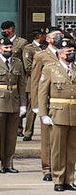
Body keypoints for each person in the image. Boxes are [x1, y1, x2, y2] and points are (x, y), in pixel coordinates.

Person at [0, 36, 28, 174]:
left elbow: (21, 84)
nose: (8, 50)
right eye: (5, 48)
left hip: (14, 101)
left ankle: (9, 163)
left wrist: (23, 104)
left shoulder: (17, 63)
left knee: (11, 135)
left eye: (10, 48)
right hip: (0, 101)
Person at [39, 38, 76, 192]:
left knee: (72, 149)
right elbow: (42, 93)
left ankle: (69, 179)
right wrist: (43, 114)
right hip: (58, 113)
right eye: (69, 52)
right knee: (58, 148)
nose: (72, 54)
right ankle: (58, 179)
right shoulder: (50, 68)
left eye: (73, 52)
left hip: (74, 113)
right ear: (61, 54)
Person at [31, 25, 63, 181]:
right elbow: (35, 81)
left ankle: (60, 167)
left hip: (63, 102)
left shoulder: (65, 53)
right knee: (47, 138)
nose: (58, 38)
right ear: (48, 38)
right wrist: (36, 105)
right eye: (55, 35)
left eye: (60, 35)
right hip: (48, 102)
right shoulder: (41, 56)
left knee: (61, 137)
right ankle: (47, 168)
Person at [22, 29, 48, 142]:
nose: (45, 38)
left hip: (45, 81)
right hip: (33, 81)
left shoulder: (44, 48)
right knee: (32, 108)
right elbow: (28, 67)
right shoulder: (29, 48)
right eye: (43, 36)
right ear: (39, 36)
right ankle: (28, 132)